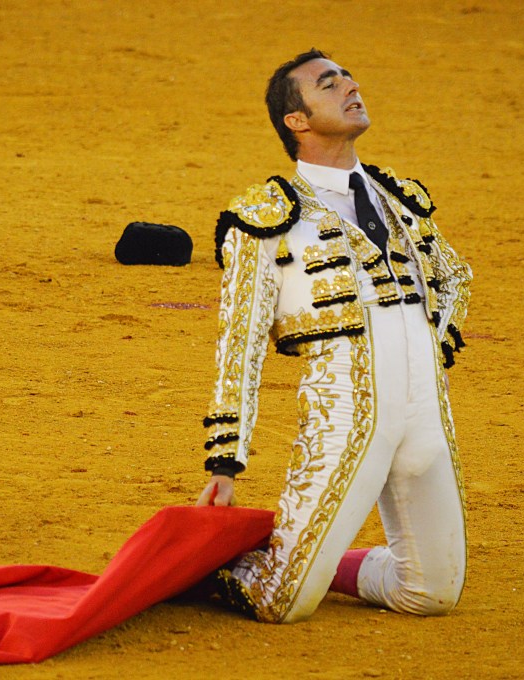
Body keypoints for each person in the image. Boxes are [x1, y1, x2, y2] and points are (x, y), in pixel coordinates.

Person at [195, 49, 472, 623]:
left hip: (426, 411)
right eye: (328, 83)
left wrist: (428, 346)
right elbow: (239, 343)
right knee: (281, 602)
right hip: (343, 414)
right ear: (296, 120)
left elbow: (453, 277)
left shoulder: (400, 197)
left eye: (348, 77)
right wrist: (225, 462)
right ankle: (210, 566)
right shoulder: (265, 217)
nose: (350, 86)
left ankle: (320, 561)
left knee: (430, 594)